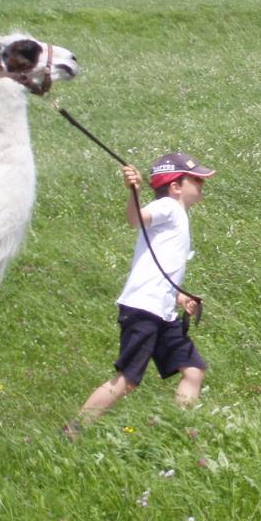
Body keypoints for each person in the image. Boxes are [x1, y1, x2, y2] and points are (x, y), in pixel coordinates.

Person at [68, 152, 215, 434]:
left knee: (193, 370)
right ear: (175, 186)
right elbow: (136, 219)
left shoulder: (178, 215)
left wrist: (180, 297)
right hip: (144, 309)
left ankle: (182, 430)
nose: (202, 184)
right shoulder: (168, 206)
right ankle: (73, 431)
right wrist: (134, 191)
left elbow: (161, 269)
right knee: (128, 380)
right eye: (196, 179)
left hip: (163, 311)